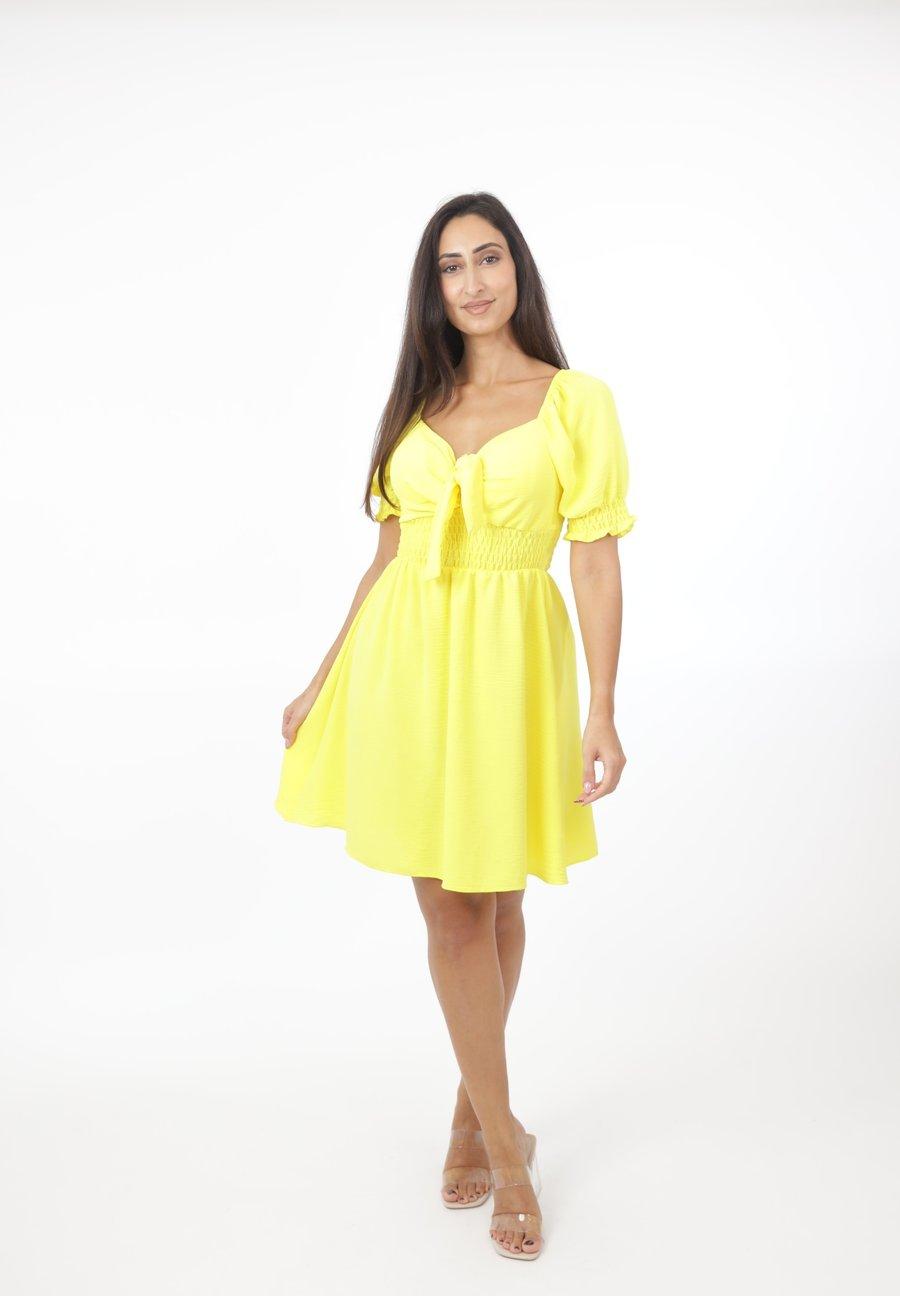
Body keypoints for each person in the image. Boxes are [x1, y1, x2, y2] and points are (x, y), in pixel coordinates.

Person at [274, 191, 637, 1260]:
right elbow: (385, 560)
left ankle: (472, 1111)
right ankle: (508, 1148)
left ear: (518, 269)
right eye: (450, 266)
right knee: (450, 913)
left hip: (510, 666)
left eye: (488, 258)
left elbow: (596, 558)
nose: (472, 281)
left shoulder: (574, 400)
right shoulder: (417, 405)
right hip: (405, 670)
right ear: (432, 289)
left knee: (498, 896)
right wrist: (322, 678)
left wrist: (604, 706)